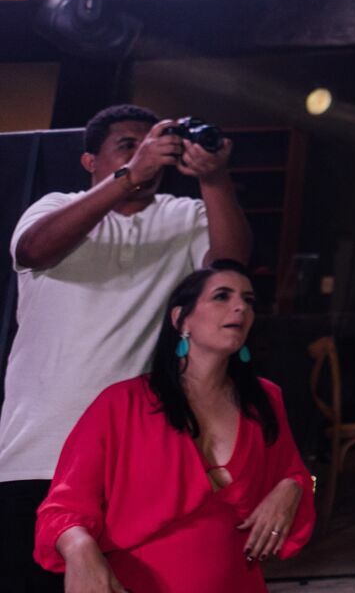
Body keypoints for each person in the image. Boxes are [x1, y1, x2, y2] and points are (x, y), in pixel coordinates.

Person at [2, 106, 251, 593]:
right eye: (127, 145)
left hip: (135, 454)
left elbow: (230, 266)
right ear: (89, 161)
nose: (144, 156)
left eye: (152, 146)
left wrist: (216, 179)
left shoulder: (183, 216)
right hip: (37, 449)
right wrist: (128, 176)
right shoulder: (55, 205)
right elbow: (32, 251)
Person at [34, 261, 312, 592]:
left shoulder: (264, 400)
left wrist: (293, 487)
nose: (240, 307)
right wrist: (80, 548)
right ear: (181, 319)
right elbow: (62, 509)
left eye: (248, 300)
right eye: (222, 296)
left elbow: (295, 474)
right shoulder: (121, 404)